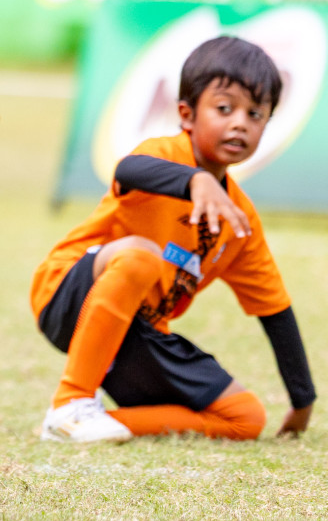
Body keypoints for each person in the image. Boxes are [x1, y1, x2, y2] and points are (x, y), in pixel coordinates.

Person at [32, 37, 314, 443]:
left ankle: (90, 427)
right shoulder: (164, 154)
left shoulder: (239, 220)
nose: (240, 122)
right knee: (141, 257)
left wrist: (302, 399)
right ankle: (71, 400)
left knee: (245, 418)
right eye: (224, 108)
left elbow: (275, 309)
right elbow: (129, 169)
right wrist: (194, 180)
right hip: (68, 297)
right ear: (186, 114)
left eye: (256, 114)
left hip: (138, 332)